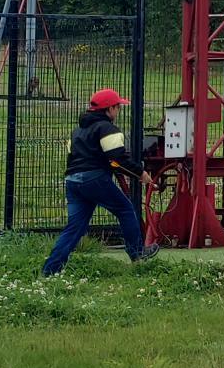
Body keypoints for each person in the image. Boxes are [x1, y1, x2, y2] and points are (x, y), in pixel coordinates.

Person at [42, 88, 160, 276]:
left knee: (74, 228)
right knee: (126, 210)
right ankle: (137, 254)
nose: (118, 111)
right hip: (94, 179)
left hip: (72, 181)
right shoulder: (107, 129)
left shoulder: (77, 132)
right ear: (110, 109)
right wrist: (140, 173)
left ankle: (50, 269)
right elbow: (117, 158)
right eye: (118, 107)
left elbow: (74, 158)